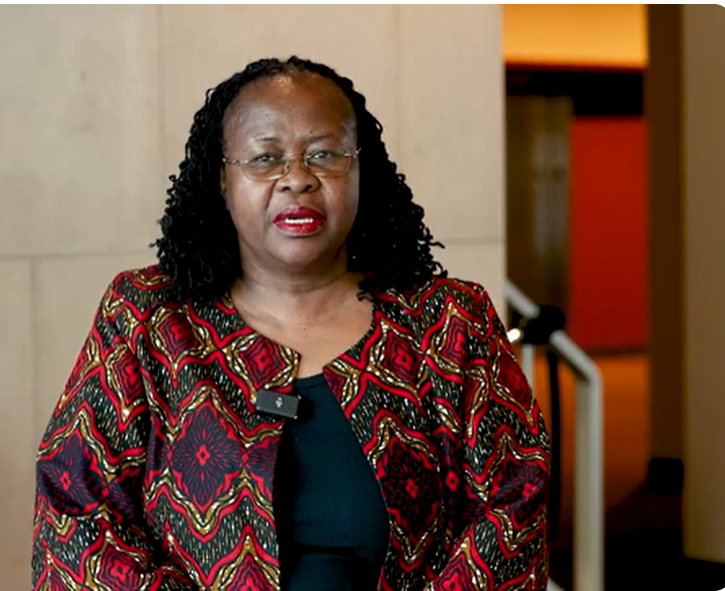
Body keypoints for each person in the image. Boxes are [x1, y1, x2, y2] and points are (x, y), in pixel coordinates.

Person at [32, 56, 550, 590]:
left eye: (324, 154)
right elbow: (76, 514)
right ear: (222, 179)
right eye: (265, 158)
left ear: (361, 170)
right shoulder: (148, 319)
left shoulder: (448, 322)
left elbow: (514, 503)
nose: (297, 179)